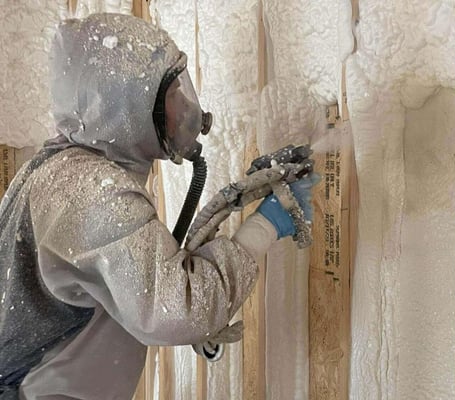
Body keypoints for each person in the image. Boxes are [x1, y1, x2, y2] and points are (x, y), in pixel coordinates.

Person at [0, 13, 316, 399]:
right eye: (171, 95)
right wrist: (265, 227)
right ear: (123, 103)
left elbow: (129, 291)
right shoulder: (89, 191)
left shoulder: (61, 170)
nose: (186, 107)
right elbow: (178, 309)